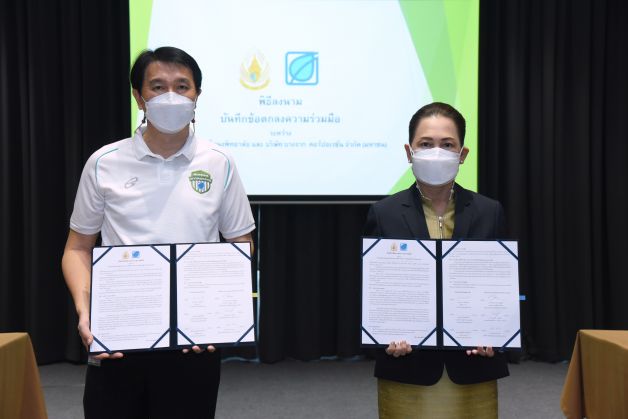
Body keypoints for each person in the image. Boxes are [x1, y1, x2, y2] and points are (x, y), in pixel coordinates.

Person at [62, 46, 255, 419]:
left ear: (197, 96)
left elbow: (240, 245)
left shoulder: (219, 162)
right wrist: (86, 310)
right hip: (119, 334)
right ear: (139, 97)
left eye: (182, 87)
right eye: (158, 87)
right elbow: (77, 248)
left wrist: (218, 311)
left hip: (194, 341)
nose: (171, 96)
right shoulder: (104, 162)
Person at [364, 102, 509, 418]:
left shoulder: (489, 211)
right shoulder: (384, 213)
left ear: (463, 154)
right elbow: (373, 291)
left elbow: (502, 286)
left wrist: (496, 336)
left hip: (473, 367)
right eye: (426, 144)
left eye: (447, 145)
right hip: (407, 368)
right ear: (409, 151)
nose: (436, 153)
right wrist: (383, 337)